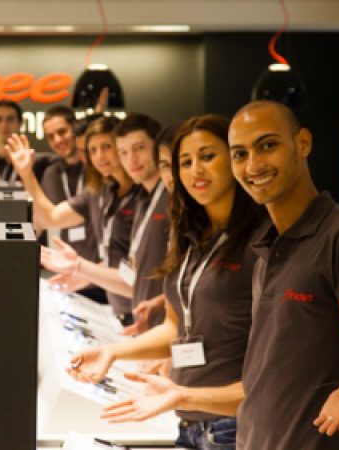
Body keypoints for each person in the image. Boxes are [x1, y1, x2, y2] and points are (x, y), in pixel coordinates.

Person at [68, 115, 264, 450]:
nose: (195, 170)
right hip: (188, 421)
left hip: (234, 425)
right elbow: (175, 327)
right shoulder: (190, 235)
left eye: (207, 156)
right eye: (184, 162)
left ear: (235, 159)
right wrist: (112, 352)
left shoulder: (260, 241)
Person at [229, 100, 339, 450]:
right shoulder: (264, 251)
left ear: (302, 143)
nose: (253, 165)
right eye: (240, 154)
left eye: (267, 145)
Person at [42, 113, 168, 334]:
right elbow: (132, 277)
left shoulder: (166, 199)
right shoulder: (139, 198)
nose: (131, 159)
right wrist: (82, 272)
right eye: (124, 152)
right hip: (137, 317)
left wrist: (79, 267)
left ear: (158, 149)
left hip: (162, 325)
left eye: (139, 148)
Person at [7, 116, 140, 324]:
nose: (99, 156)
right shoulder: (99, 191)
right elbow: (51, 217)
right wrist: (27, 174)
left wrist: (80, 268)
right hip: (120, 308)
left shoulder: (142, 194)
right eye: (93, 150)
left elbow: (137, 274)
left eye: (106, 147)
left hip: (144, 307)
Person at [38, 105, 104, 303]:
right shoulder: (52, 173)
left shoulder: (100, 173)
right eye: (50, 136)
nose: (58, 140)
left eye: (62, 132)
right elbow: (50, 217)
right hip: (75, 272)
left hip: (106, 272)